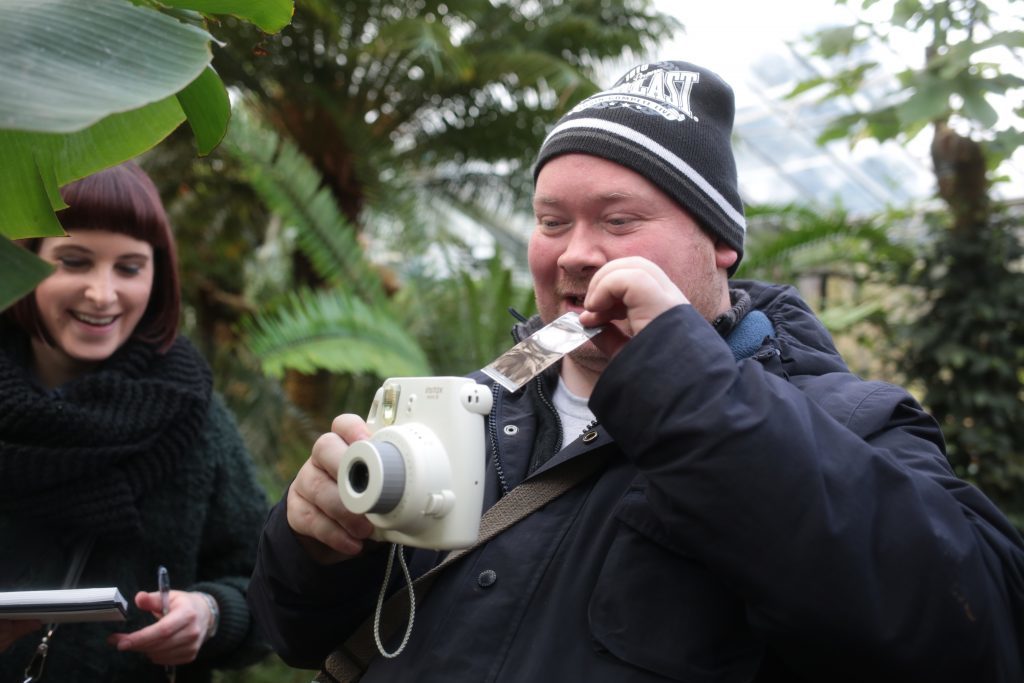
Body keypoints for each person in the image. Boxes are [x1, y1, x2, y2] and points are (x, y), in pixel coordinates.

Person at [247, 60, 1024, 682]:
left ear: (720, 242)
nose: (576, 251)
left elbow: (974, 633)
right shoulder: (469, 409)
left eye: (619, 220)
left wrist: (686, 387)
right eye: (552, 221)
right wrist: (311, 547)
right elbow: (297, 634)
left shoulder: (851, 421)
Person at [0, 161, 270, 682]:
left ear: (158, 275)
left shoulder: (192, 418)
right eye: (74, 261)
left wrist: (209, 614)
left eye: (129, 267)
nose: (103, 294)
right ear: (23, 262)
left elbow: (269, 587)